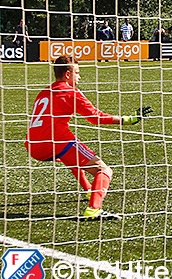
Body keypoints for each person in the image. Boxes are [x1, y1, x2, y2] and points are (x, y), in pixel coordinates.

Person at [25, 56, 152, 219]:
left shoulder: (43, 92)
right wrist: (127, 120)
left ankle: (88, 189)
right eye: (77, 73)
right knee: (104, 170)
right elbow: (95, 117)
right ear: (67, 74)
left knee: (70, 155)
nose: (80, 77)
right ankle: (94, 209)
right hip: (55, 141)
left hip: (33, 147)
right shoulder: (70, 92)